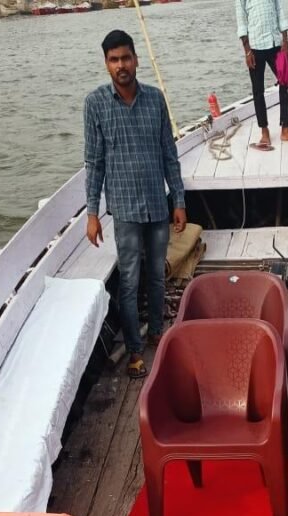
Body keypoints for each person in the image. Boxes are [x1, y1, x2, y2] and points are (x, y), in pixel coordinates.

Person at [84, 30, 186, 380]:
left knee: (157, 275)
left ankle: (157, 331)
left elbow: (169, 154)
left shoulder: (155, 99)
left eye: (126, 58)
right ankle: (133, 350)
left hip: (158, 206)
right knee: (129, 281)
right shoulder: (95, 103)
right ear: (106, 64)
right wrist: (92, 214)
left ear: (136, 60)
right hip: (125, 211)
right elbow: (94, 162)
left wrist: (180, 201)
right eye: (114, 60)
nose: (121, 65)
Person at [235, 0, 288, 150]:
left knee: (285, 82)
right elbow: (241, 22)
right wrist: (247, 51)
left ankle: (286, 129)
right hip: (254, 48)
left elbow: (280, 12)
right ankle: (264, 131)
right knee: (258, 91)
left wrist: (285, 42)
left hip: (275, 44)